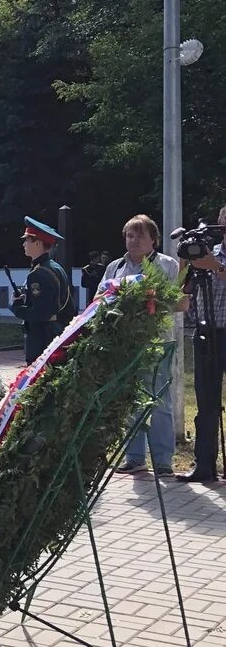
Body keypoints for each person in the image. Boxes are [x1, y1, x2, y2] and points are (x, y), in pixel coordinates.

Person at [104, 215, 186, 477]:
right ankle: (135, 457)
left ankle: (163, 461)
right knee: (130, 401)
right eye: (130, 235)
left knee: (160, 402)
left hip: (158, 344)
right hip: (125, 345)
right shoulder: (116, 268)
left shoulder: (167, 265)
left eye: (140, 235)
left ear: (154, 240)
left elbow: (182, 303)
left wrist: (149, 301)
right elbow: (99, 299)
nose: (134, 240)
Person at [180, 205, 226, 483]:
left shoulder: (213, 261)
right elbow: (182, 294)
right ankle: (204, 466)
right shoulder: (207, 254)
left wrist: (216, 268)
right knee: (206, 404)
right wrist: (186, 265)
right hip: (208, 334)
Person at [9, 217, 75, 364]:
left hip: (42, 338)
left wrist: (17, 308)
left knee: (38, 380)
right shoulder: (55, 267)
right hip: (56, 333)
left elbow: (42, 313)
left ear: (38, 243)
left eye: (27, 240)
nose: (24, 244)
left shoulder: (38, 274)